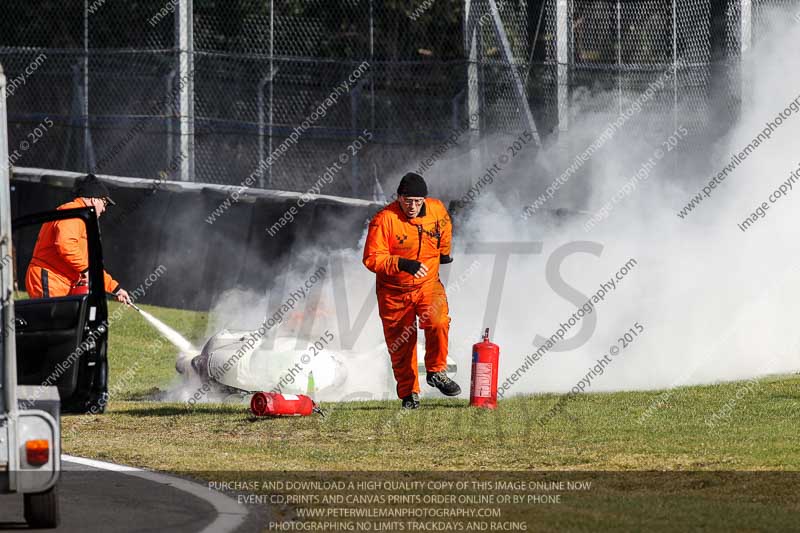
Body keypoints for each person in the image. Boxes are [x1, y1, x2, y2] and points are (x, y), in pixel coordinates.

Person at [363, 172, 461, 409]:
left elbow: (445, 230)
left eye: (418, 201)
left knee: (438, 322)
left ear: (424, 200)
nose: (413, 206)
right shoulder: (384, 219)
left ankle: (436, 372)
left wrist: (445, 253)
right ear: (399, 198)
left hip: (427, 285)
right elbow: (371, 259)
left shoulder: (437, 210)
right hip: (393, 291)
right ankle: (409, 394)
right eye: (408, 201)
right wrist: (403, 264)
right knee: (401, 345)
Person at [25, 174, 131, 304]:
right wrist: (86, 271)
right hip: (51, 278)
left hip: (59, 281)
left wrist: (115, 288)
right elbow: (65, 245)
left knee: (63, 323)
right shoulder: (74, 212)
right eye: (104, 203)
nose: (104, 209)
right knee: (50, 323)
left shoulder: (80, 215)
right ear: (94, 200)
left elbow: (90, 265)